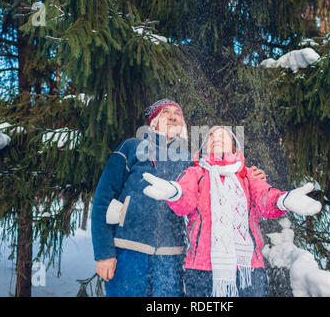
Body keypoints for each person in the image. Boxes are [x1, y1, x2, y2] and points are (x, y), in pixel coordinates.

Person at [91, 100, 266, 297]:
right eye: (166, 112)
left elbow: (221, 172)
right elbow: (103, 201)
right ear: (154, 122)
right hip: (128, 251)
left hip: (171, 259)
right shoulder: (132, 148)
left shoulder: (189, 160)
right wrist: (104, 252)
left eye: (178, 113)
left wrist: (248, 175)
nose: (173, 116)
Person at [143, 126, 322, 297]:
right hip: (201, 269)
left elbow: (264, 198)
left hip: (248, 270)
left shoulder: (248, 175)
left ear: (235, 146)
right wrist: (174, 193)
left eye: (224, 135)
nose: (217, 138)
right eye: (211, 136)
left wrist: (283, 200)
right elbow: (185, 201)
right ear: (204, 147)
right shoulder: (194, 173)